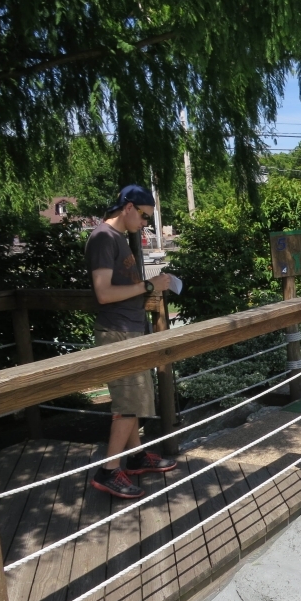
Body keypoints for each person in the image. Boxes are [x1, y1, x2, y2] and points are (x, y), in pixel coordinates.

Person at [85, 185, 179, 498]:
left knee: (134, 398)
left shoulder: (117, 239)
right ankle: (108, 471)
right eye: (142, 215)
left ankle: (136, 456)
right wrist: (149, 285)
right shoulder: (102, 238)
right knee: (128, 403)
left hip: (130, 328)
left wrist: (149, 286)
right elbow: (104, 293)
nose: (144, 223)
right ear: (127, 207)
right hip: (118, 332)